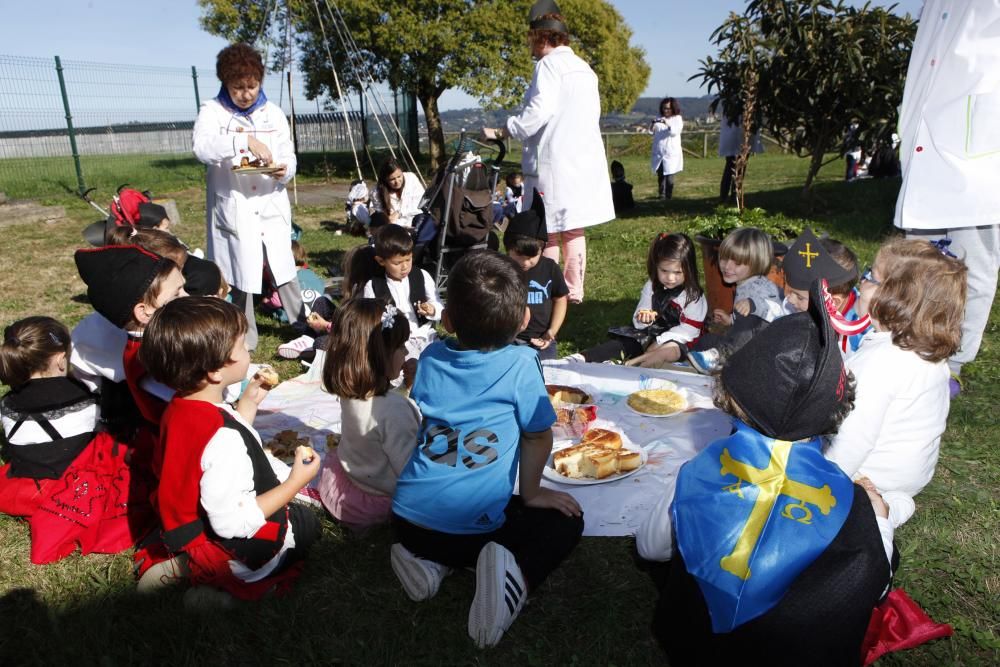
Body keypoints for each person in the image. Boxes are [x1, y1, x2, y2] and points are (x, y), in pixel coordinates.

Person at [638, 279, 894, 665]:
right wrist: (880, 520)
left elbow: (650, 547)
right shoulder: (853, 507)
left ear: (732, 392)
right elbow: (874, 584)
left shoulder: (699, 473)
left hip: (693, 644)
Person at [389, 250, 584, 648]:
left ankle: (428, 565)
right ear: (525, 318)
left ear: (447, 319)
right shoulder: (521, 363)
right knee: (567, 521)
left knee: (443, 534)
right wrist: (532, 493)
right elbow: (537, 434)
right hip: (475, 531)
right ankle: (514, 580)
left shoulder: (429, 356)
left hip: (407, 519)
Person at [138, 297, 321, 605]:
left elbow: (211, 449)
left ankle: (188, 564)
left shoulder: (181, 407)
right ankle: (230, 588)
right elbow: (232, 522)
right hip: (238, 549)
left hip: (192, 529)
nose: (249, 349)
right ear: (214, 371)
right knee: (305, 523)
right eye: (242, 345)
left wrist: (247, 405)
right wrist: (295, 482)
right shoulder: (223, 438)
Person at [893, 0, 1000, 397]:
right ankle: (911, 349)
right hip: (927, 136)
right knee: (916, 260)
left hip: (978, 143)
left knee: (972, 265)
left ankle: (951, 364)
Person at [825, 238, 967, 531]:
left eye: (870, 277)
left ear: (892, 299)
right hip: (911, 471)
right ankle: (896, 501)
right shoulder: (927, 351)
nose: (862, 284)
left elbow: (854, 437)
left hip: (873, 471)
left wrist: (823, 477)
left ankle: (876, 507)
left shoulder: (879, 362)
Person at [481, 0, 615, 304]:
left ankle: (551, 290)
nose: (529, 46)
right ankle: (574, 290)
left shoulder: (549, 66)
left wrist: (504, 129)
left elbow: (537, 114)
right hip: (580, 160)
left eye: (531, 38)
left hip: (554, 162)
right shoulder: (584, 68)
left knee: (549, 228)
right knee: (572, 226)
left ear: (542, 37)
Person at [0, 317, 155, 564]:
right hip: (67, 483)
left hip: (24, 483)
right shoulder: (82, 398)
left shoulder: (7, 403)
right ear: (62, 359)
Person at [193, 43, 302, 352]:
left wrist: (284, 171)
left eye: (252, 86)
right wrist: (243, 140)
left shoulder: (274, 113)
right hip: (236, 204)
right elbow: (202, 148)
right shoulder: (213, 111)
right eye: (238, 87)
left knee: (283, 264)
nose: (246, 93)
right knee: (242, 268)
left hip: (270, 201)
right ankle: (246, 333)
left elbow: (289, 155)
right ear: (225, 83)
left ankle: (299, 323)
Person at [72, 245, 188, 465]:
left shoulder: (154, 344)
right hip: (177, 450)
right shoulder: (152, 356)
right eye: (176, 294)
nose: (187, 298)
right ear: (144, 312)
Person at [317, 299, 419, 529]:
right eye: (401, 345)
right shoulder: (396, 409)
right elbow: (410, 471)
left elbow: (381, 414)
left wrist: (405, 389)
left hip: (349, 481)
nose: (406, 351)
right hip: (378, 499)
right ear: (379, 354)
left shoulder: (351, 389)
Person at [570, 233, 706, 366]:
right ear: (656, 266)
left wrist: (660, 341)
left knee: (667, 351)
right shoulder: (652, 286)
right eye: (664, 271)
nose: (670, 278)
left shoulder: (693, 295)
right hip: (651, 334)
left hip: (680, 340)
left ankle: (632, 366)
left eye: (677, 272)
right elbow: (640, 315)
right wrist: (643, 317)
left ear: (689, 269)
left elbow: (690, 330)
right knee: (626, 343)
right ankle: (581, 358)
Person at [685, 228, 783, 374]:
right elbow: (745, 324)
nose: (727, 266)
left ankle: (721, 357)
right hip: (744, 343)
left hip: (763, 351)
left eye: (737, 263)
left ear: (756, 263)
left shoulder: (762, 286)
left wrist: (753, 304)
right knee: (707, 340)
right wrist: (730, 319)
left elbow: (778, 311)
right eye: (724, 258)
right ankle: (692, 363)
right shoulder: (745, 283)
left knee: (749, 316)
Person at [779, 229, 871, 357]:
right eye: (789, 290)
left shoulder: (860, 337)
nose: (790, 300)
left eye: (799, 297)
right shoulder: (794, 307)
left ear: (833, 302)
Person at [362, 224, 442, 361]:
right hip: (396, 344)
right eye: (397, 263)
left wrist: (432, 309)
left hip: (426, 335)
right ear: (381, 261)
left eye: (408, 259)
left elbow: (439, 305)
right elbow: (370, 322)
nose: (405, 267)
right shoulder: (373, 286)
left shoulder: (422, 276)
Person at [504, 208, 568, 361]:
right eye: (519, 255)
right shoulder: (502, 269)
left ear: (542, 248)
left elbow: (560, 299)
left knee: (545, 376)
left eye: (532, 256)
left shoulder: (549, 268)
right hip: (506, 341)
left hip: (541, 341)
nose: (526, 262)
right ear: (508, 249)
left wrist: (552, 331)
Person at [718, 106, 763, 202]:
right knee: (736, 168)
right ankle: (732, 196)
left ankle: (729, 196)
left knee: (731, 168)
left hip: (735, 138)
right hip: (739, 138)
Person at [369, 157, 424, 228]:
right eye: (392, 179)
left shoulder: (411, 179)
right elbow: (381, 215)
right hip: (394, 227)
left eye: (399, 176)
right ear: (385, 179)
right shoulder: (376, 192)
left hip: (415, 221)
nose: (397, 182)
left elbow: (421, 204)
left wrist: (399, 213)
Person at [651, 97, 683, 200]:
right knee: (660, 175)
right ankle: (662, 195)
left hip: (671, 153)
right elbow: (652, 131)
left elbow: (674, 132)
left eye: (668, 108)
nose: (666, 110)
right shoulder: (659, 118)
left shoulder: (677, 119)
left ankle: (669, 195)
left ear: (673, 108)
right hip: (659, 151)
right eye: (664, 108)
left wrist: (667, 123)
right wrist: (652, 124)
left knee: (669, 176)